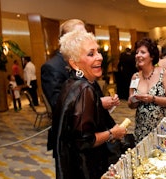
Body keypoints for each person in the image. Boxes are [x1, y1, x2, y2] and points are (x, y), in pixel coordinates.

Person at [52, 29, 127, 179]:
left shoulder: (73, 84)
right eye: (90, 54)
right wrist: (113, 133)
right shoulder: (85, 89)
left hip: (74, 168)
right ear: (74, 62)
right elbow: (84, 140)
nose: (99, 58)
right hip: (87, 172)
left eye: (98, 52)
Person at [42, 18, 119, 151]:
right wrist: (99, 103)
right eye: (78, 36)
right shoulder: (52, 67)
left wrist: (107, 103)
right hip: (74, 140)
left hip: (96, 133)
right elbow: (59, 105)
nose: (84, 38)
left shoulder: (89, 60)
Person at [128, 37, 166, 144]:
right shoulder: (135, 77)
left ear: (152, 56)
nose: (138, 55)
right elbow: (130, 105)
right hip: (142, 129)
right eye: (137, 52)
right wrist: (134, 100)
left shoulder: (163, 73)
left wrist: (153, 98)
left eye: (143, 52)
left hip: (162, 129)